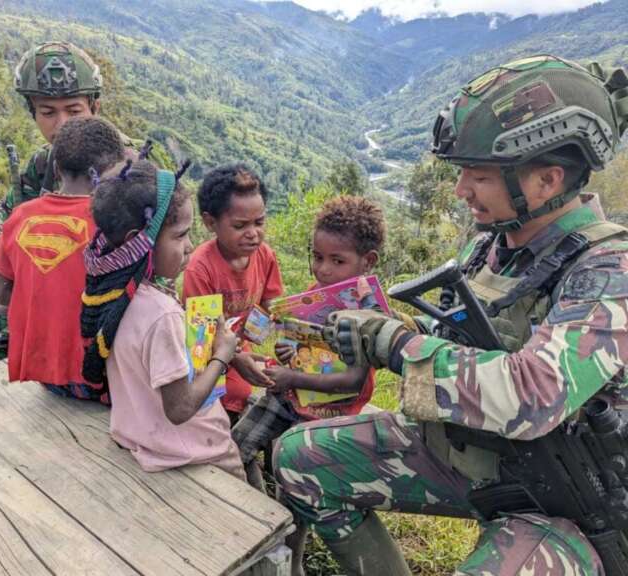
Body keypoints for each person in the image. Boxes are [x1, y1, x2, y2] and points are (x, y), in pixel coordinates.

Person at [274, 55, 628, 575]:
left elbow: (533, 394)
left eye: (478, 177)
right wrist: (383, 333)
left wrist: (396, 344)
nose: (462, 190)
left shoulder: (608, 269)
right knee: (297, 460)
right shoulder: (491, 248)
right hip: (468, 455)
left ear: (547, 181)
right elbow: (454, 334)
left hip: (561, 504)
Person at [232, 195, 386, 574]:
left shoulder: (371, 316)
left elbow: (352, 380)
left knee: (292, 488)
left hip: (323, 416)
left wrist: (294, 375)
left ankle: (293, 562)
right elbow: (303, 349)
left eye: (337, 261)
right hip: (287, 396)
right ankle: (256, 530)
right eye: (317, 257)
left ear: (368, 262)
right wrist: (289, 352)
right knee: (233, 448)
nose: (323, 270)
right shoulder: (316, 299)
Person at [80, 159, 244, 479]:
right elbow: (180, 409)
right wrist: (222, 357)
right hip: (194, 451)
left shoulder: (114, 292)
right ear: (138, 241)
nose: (190, 246)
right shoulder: (162, 314)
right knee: (263, 514)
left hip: (141, 439)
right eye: (180, 235)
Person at [0, 41, 106, 359]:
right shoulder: (43, 163)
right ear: (33, 113)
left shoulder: (126, 165)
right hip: (57, 298)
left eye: (74, 110)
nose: (62, 124)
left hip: (113, 306)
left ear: (93, 108)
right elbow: (3, 216)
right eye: (48, 112)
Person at [0, 117, 124, 404]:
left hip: (46, 377)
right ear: (113, 171)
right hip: (100, 380)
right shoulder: (112, 223)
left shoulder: (20, 216)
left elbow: (1, 293)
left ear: (57, 168)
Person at [183, 164, 284, 424]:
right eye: (240, 225)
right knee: (227, 396)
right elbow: (202, 335)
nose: (253, 233)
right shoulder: (200, 268)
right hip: (205, 353)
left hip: (239, 349)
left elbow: (271, 303)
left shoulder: (265, 256)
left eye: (259, 222)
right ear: (210, 222)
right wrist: (236, 358)